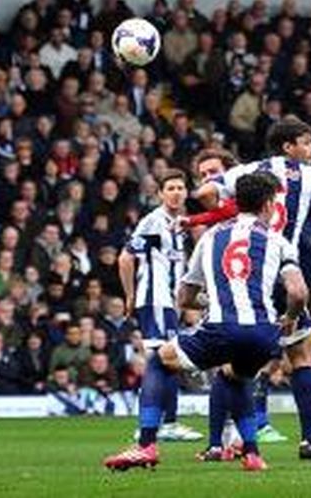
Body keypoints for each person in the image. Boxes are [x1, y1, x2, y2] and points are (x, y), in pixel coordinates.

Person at [103, 171, 309, 472]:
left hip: (221, 328)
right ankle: (251, 453)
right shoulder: (278, 241)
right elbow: (298, 292)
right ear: (268, 205)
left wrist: (214, 300)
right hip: (265, 334)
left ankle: (145, 445)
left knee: (161, 361)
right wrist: (290, 318)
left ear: (237, 203)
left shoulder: (211, 236)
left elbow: (184, 298)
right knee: (235, 376)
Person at [189, 117, 311, 461]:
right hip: (281, 266)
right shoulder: (310, 175)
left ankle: (218, 443)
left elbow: (205, 193)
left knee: (232, 363)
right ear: (289, 147)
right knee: (300, 356)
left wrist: (221, 210)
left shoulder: (250, 170)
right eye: (307, 142)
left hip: (244, 272)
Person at [117, 169, 202, 443]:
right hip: (155, 300)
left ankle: (164, 422)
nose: (176, 192)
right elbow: (125, 258)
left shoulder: (178, 224)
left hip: (169, 304)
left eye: (180, 187)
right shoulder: (153, 222)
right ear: (160, 194)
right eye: (171, 188)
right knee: (162, 360)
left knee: (167, 361)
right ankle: (158, 424)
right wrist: (130, 295)